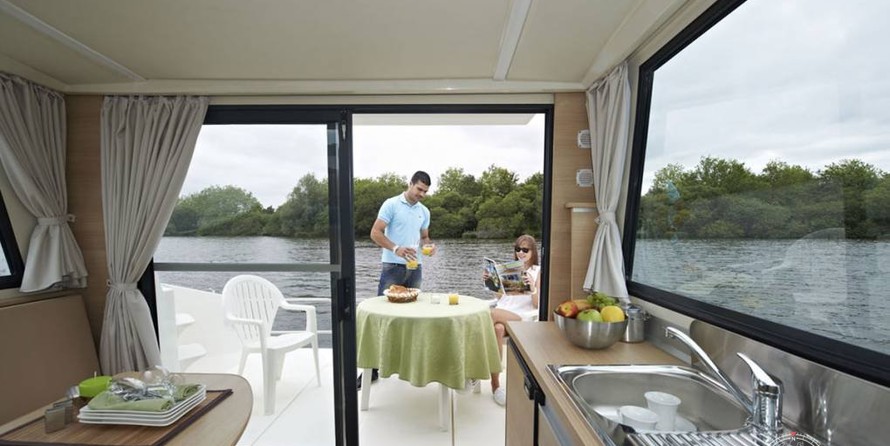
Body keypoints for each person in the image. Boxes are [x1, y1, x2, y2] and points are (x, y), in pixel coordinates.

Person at [359, 171, 437, 389]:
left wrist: (429, 246)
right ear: (410, 184)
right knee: (382, 317)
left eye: (425, 191)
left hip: (415, 268)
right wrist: (396, 248)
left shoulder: (424, 211)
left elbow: (424, 237)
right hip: (392, 267)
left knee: (414, 316)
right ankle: (372, 370)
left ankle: (408, 366)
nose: (422, 194)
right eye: (419, 189)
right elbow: (375, 233)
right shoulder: (391, 204)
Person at [483, 234, 541, 406]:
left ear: (533, 252)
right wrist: (492, 283)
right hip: (504, 313)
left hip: (522, 317)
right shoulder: (510, 269)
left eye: (525, 250)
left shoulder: (538, 272)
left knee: (489, 314)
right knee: (497, 329)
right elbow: (502, 298)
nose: (520, 253)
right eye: (517, 249)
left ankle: (472, 369)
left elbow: (538, 304)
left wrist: (532, 287)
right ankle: (495, 385)